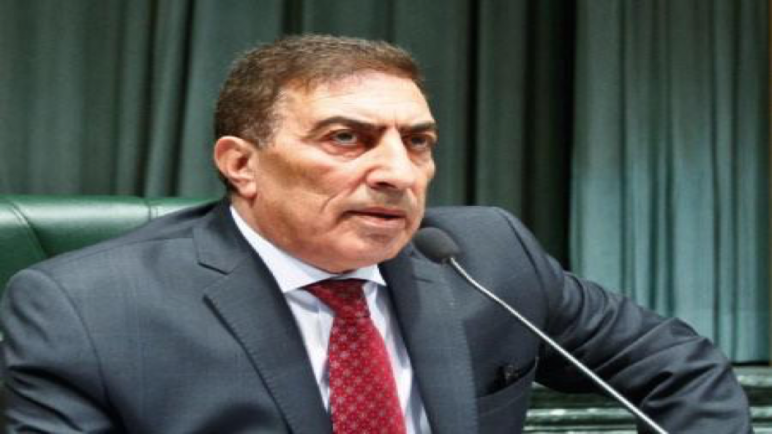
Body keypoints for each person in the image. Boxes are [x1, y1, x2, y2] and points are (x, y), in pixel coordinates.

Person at [1, 35, 752, 433]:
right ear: (241, 164)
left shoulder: (487, 256)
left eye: (418, 142)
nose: (398, 172)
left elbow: (679, 369)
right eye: (346, 138)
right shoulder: (85, 309)